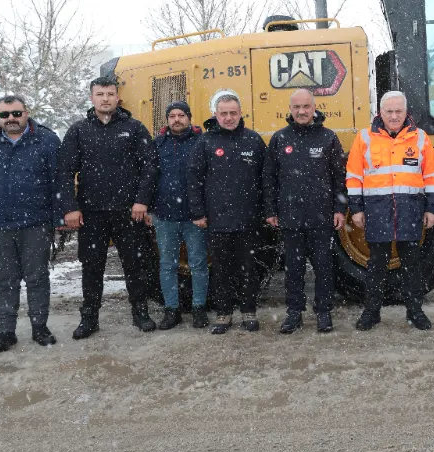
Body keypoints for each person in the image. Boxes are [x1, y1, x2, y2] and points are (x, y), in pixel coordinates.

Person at [58, 76, 159, 338]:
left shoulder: (135, 129)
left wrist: (142, 201)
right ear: (92, 98)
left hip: (129, 212)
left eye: (110, 94)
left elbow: (150, 167)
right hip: (91, 213)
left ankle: (140, 312)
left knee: (135, 265)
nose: (105, 99)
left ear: (118, 98)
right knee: (92, 267)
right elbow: (65, 171)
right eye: (100, 94)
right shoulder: (79, 131)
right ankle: (89, 317)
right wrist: (70, 207)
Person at [0, 96, 63, 354]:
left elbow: (59, 181)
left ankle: (39, 327)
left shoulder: (46, 140)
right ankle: (5, 332)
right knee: (5, 280)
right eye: (5, 114)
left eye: (16, 113)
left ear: (27, 113)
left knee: (37, 278)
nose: (11, 118)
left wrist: (60, 216)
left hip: (36, 223)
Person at [346, 91, 434, 331]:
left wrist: (431, 208)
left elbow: (432, 176)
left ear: (406, 112)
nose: (394, 116)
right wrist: (356, 209)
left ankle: (415, 311)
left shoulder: (420, 138)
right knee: (377, 265)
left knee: (412, 265)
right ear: (380, 112)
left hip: (410, 211)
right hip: (377, 212)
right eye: (389, 111)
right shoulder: (365, 138)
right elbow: (354, 177)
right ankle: (371, 312)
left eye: (399, 111)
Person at [264, 89, 347, 334]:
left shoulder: (328, 138)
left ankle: (323, 312)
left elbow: (339, 178)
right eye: (296, 107)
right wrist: (271, 209)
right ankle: (294, 313)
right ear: (290, 109)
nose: (301, 111)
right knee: (294, 268)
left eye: (306, 107)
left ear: (314, 108)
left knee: (323, 266)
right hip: (289, 217)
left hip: (321, 217)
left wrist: (339, 209)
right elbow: (269, 177)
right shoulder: (279, 139)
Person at [188, 89, 268, 334]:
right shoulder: (205, 142)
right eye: (224, 113)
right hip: (217, 219)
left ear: (241, 113)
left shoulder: (253, 141)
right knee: (221, 269)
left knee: (248, 268)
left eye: (233, 113)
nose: (229, 117)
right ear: (216, 114)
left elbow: (266, 179)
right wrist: (198, 213)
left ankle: (248, 311)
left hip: (248, 219)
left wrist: (267, 211)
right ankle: (223, 314)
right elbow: (194, 179)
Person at [149, 100, 208, 330]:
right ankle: (171, 310)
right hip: (165, 216)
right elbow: (150, 177)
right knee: (167, 265)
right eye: (172, 116)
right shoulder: (158, 144)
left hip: (195, 217)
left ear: (189, 117)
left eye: (181, 115)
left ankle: (199, 309)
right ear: (167, 120)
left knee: (198, 264)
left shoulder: (202, 142)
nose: (176, 119)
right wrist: (149, 207)